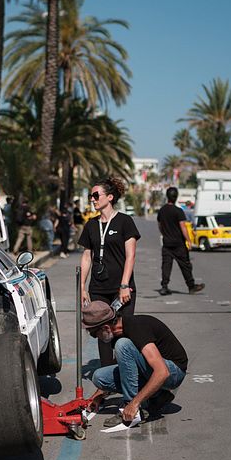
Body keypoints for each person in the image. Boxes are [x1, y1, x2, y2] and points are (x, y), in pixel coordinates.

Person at [82, 300, 188, 427]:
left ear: (105, 328)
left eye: (94, 334)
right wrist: (98, 396)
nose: (96, 338)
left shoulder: (136, 327)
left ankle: (132, 409)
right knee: (100, 377)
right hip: (152, 370)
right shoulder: (115, 333)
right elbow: (125, 367)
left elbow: (162, 372)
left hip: (173, 372)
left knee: (123, 345)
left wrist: (134, 403)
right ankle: (158, 396)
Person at [79, 177, 140, 365]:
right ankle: (106, 379)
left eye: (96, 195)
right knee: (103, 335)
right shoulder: (91, 225)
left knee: (123, 333)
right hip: (98, 288)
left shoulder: (125, 221)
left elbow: (130, 256)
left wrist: (124, 285)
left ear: (110, 197)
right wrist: (82, 286)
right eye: (91, 196)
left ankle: (129, 374)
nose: (93, 199)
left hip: (121, 288)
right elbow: (87, 256)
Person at [157, 187, 205, 295]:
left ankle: (164, 287)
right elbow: (183, 227)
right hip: (179, 244)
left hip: (167, 243)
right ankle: (191, 286)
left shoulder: (162, 210)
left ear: (167, 196)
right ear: (176, 197)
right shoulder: (178, 211)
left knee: (166, 266)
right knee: (185, 265)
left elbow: (160, 225)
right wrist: (189, 240)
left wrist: (164, 233)